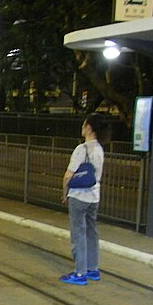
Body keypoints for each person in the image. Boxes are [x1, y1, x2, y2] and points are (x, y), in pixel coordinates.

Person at [60, 113, 106, 285]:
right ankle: (93, 269)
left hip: (79, 197)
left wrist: (65, 192)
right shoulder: (100, 149)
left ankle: (79, 273)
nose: (82, 127)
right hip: (94, 197)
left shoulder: (81, 149)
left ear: (88, 128)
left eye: (84, 124)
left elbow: (68, 176)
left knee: (78, 233)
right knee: (91, 233)